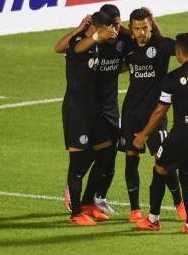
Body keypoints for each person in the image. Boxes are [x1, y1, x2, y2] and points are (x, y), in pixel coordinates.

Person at [120, 8, 188, 223]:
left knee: (164, 161)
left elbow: (185, 51)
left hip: (155, 113)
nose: (141, 33)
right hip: (131, 111)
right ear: (131, 28)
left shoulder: (161, 44)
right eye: (137, 28)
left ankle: (179, 203)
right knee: (131, 159)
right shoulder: (128, 46)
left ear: (151, 25)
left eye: (145, 27)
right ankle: (135, 210)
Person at [133, 33, 188, 234]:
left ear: (178, 52)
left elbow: (160, 111)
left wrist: (144, 134)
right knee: (187, 177)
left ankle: (153, 220)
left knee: (160, 169)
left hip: (181, 136)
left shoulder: (172, 78)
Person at [59, 10, 121, 226]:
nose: (111, 32)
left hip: (93, 111)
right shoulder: (80, 41)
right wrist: (93, 35)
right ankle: (76, 213)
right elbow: (76, 48)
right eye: (107, 29)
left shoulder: (97, 44)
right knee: (77, 163)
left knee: (106, 151)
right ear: (96, 27)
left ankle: (87, 203)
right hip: (77, 112)